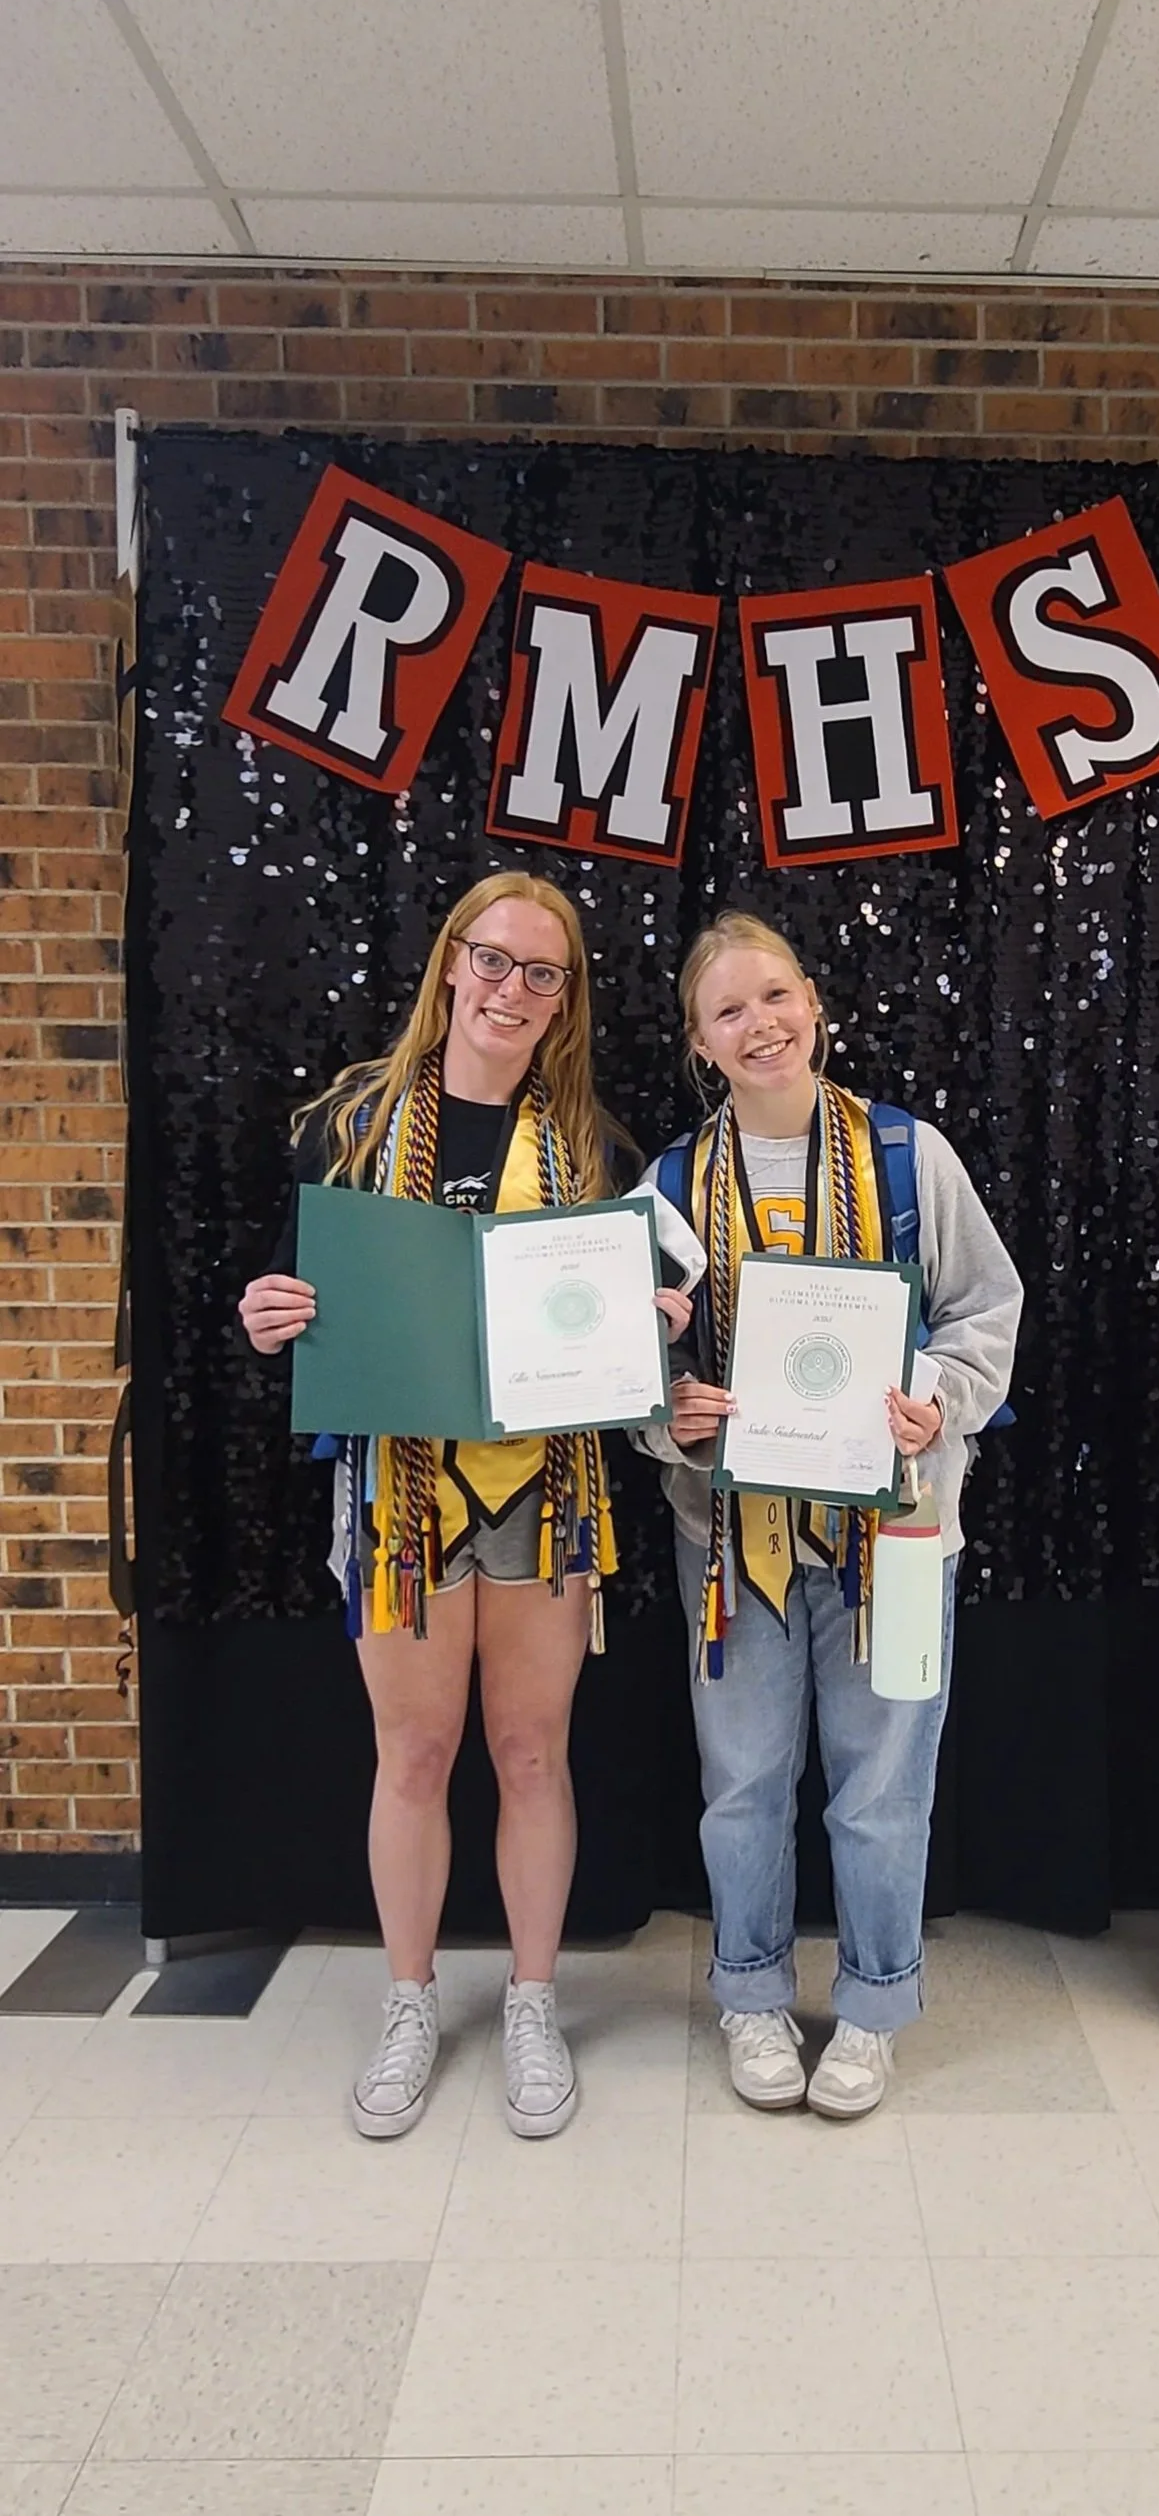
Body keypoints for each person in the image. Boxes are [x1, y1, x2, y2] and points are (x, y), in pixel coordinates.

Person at [238, 872, 690, 2143]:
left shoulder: (596, 1148)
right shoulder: (350, 1122)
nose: (509, 989)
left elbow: (621, 1345)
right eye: (491, 960)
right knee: (416, 1754)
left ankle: (534, 2000)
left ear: (565, 998)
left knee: (533, 1751)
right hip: (398, 1488)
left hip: (541, 1488)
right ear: (450, 964)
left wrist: (646, 1331)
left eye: (540, 973)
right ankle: (409, 1999)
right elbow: (298, 1292)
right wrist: (267, 1314)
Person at [637, 911, 1022, 2119]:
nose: (760, 1025)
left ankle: (869, 2008)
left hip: (896, 1534)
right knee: (743, 1782)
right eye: (729, 1011)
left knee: (883, 1789)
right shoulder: (663, 1187)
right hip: (730, 1540)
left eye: (775, 996)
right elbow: (624, 1370)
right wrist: (671, 1415)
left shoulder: (910, 1157)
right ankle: (751, 1994)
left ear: (815, 1003)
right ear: (701, 1043)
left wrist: (935, 1402)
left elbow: (985, 1311)